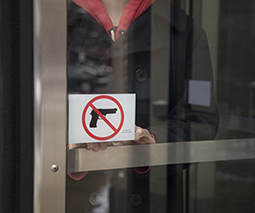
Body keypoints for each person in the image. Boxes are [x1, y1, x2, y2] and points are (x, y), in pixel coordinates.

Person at [67, 0, 219, 212]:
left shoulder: (183, 30)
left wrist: (153, 142)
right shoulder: (49, 23)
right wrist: (64, 146)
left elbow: (201, 120)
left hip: (150, 199)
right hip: (63, 196)